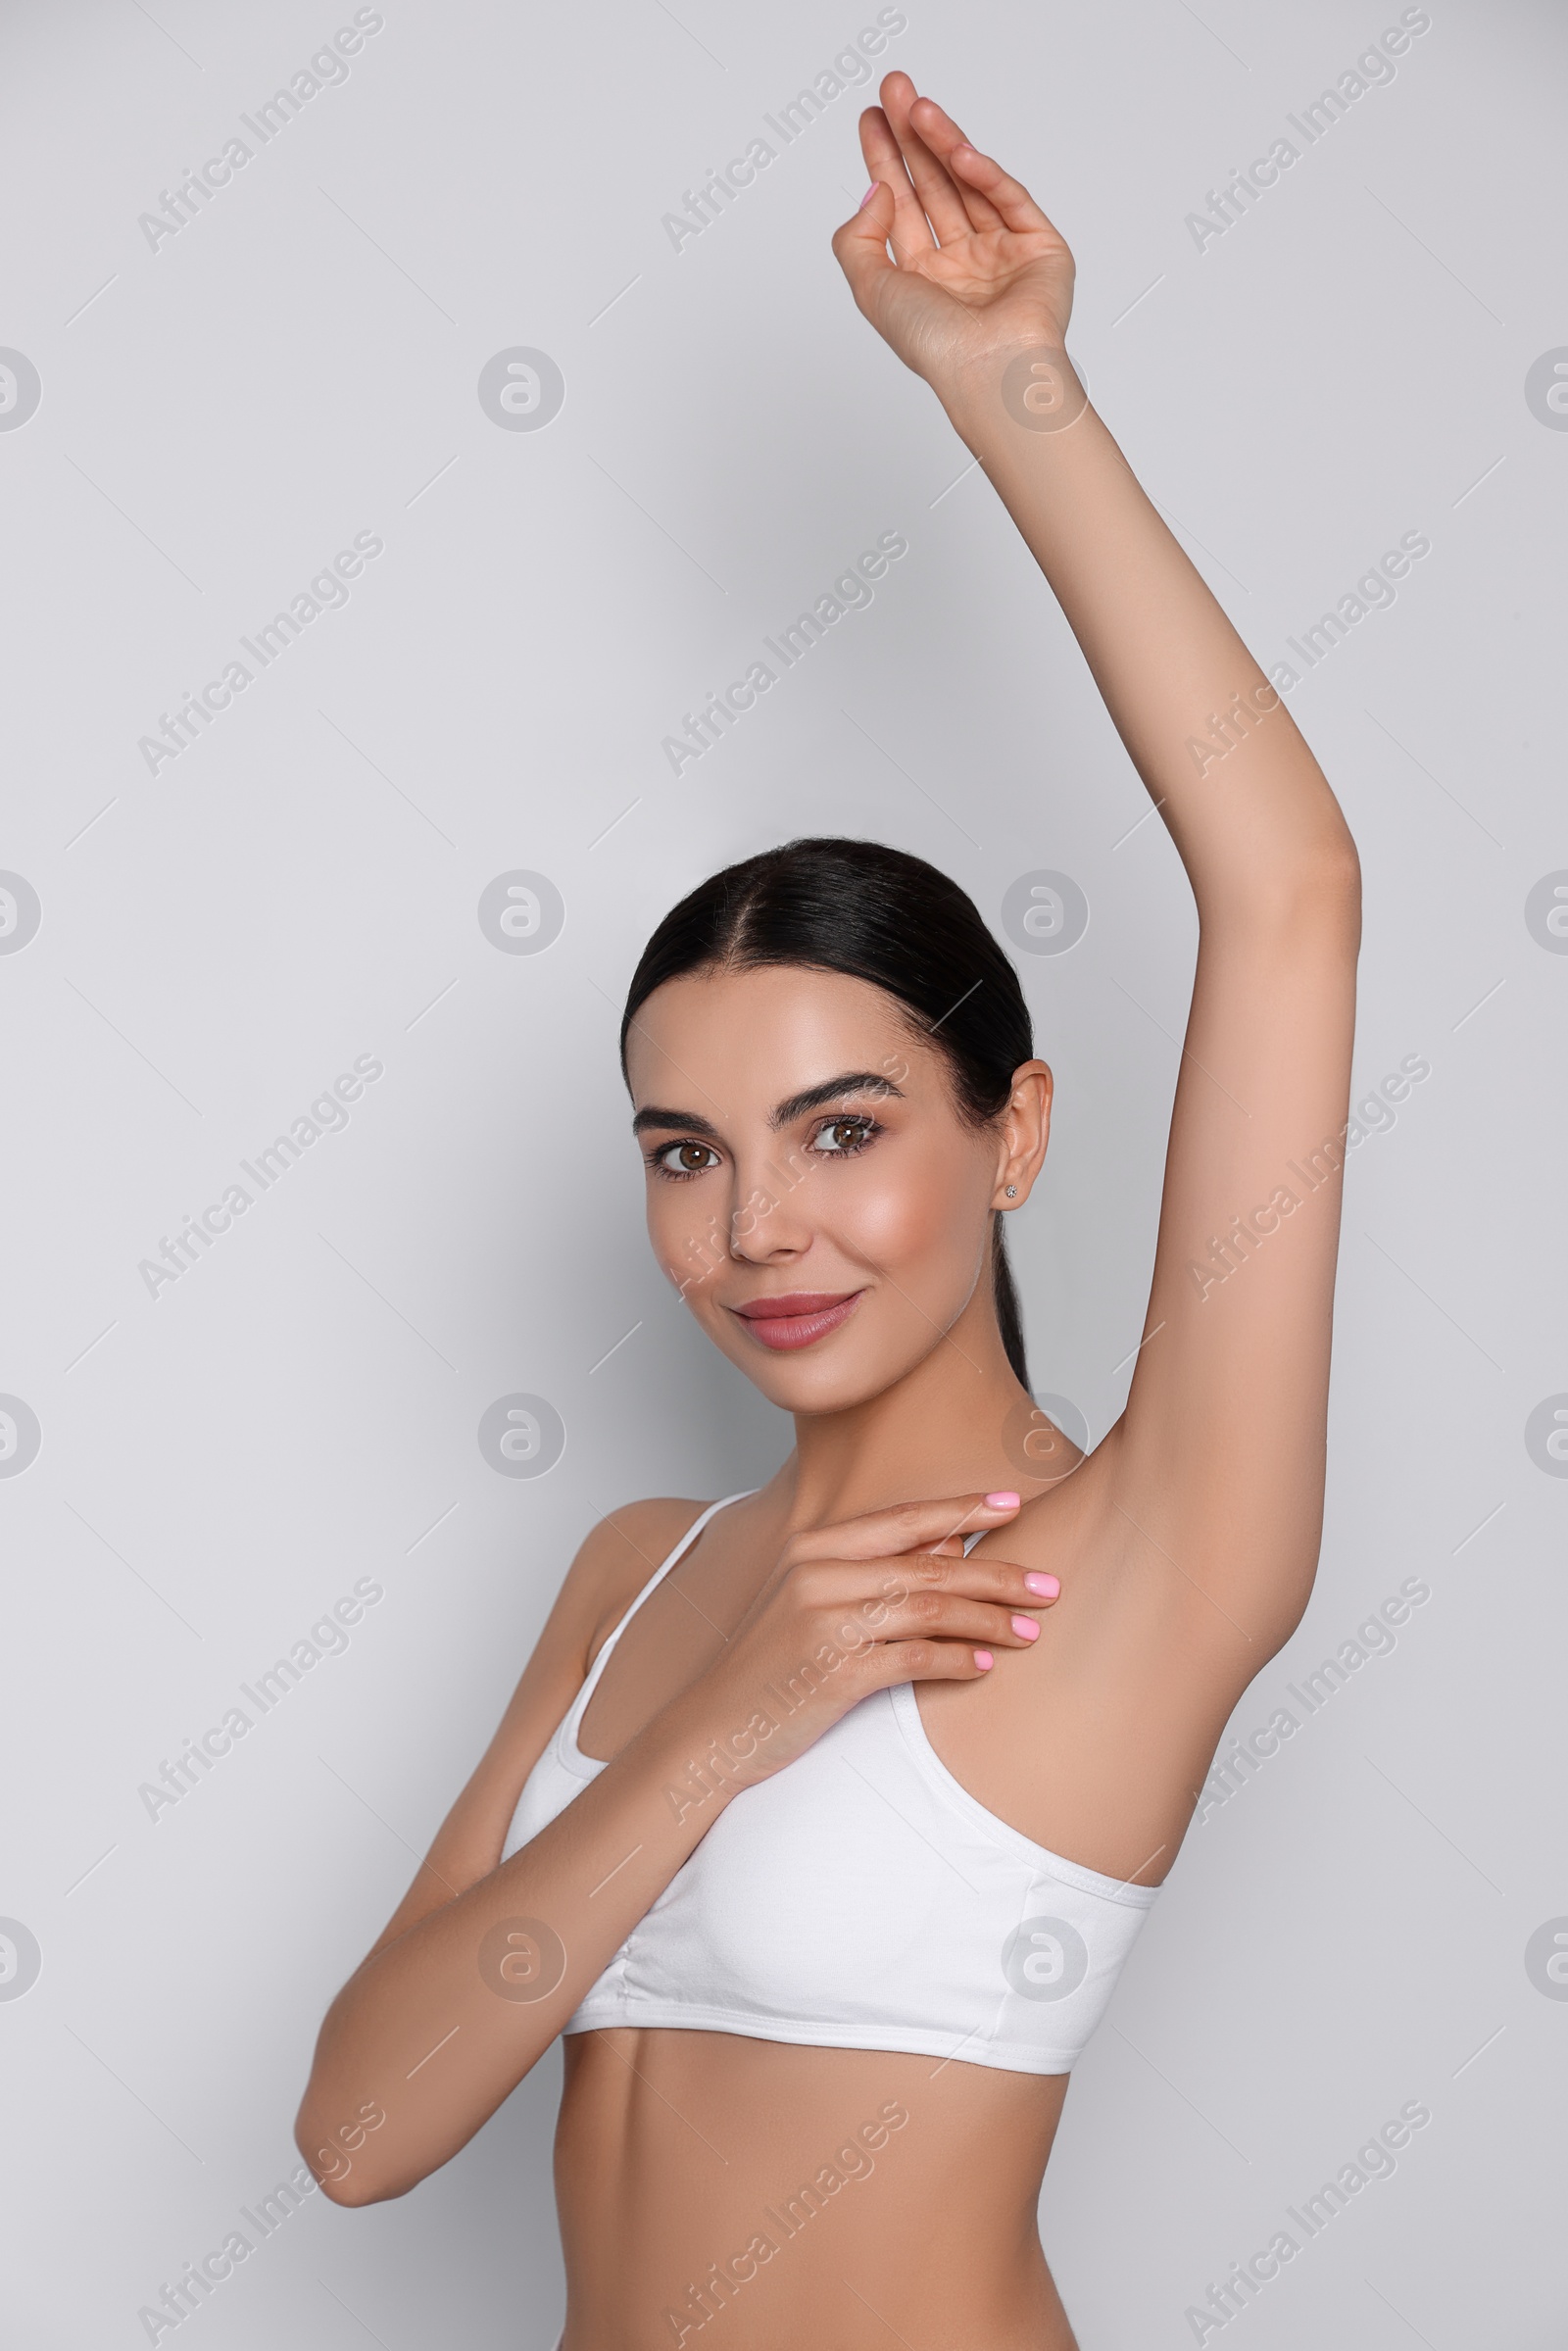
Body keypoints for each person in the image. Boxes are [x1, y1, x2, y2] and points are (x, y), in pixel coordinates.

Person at [294, 70, 1360, 2350]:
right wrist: (722, 1724)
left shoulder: (1146, 1559)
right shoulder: (644, 1575)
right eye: (687, 1152)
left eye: (843, 1128)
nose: (754, 1224)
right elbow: (361, 2138)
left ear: (1015, 1130)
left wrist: (1012, 390)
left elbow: (1287, 895)